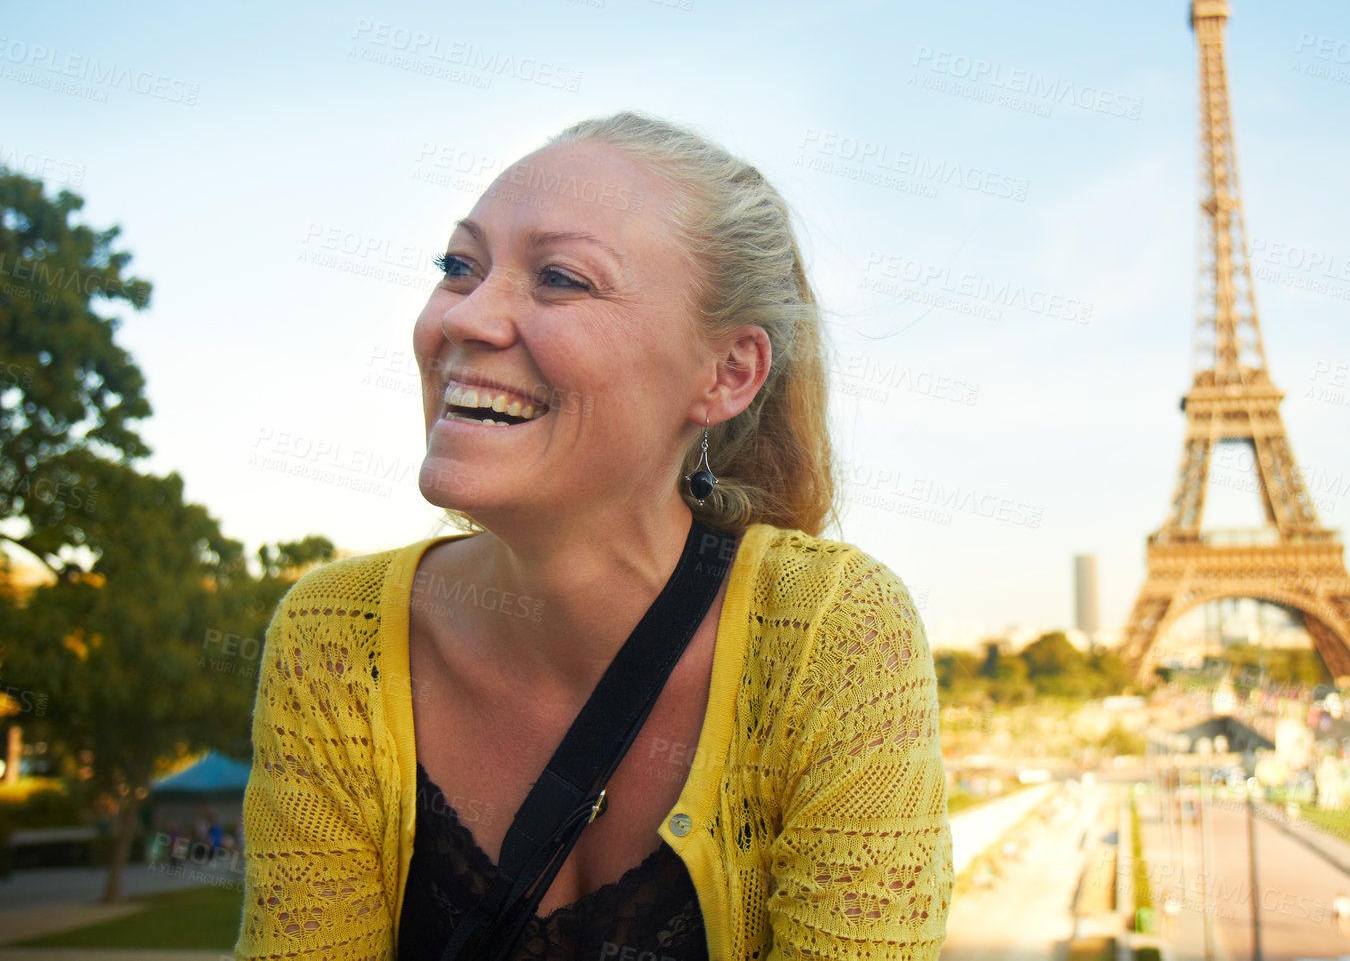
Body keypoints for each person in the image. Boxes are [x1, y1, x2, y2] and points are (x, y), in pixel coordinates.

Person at [233, 113, 954, 959]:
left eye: (561, 280)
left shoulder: (830, 630)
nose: (467, 317)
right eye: (457, 267)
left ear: (729, 373)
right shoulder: (335, 636)